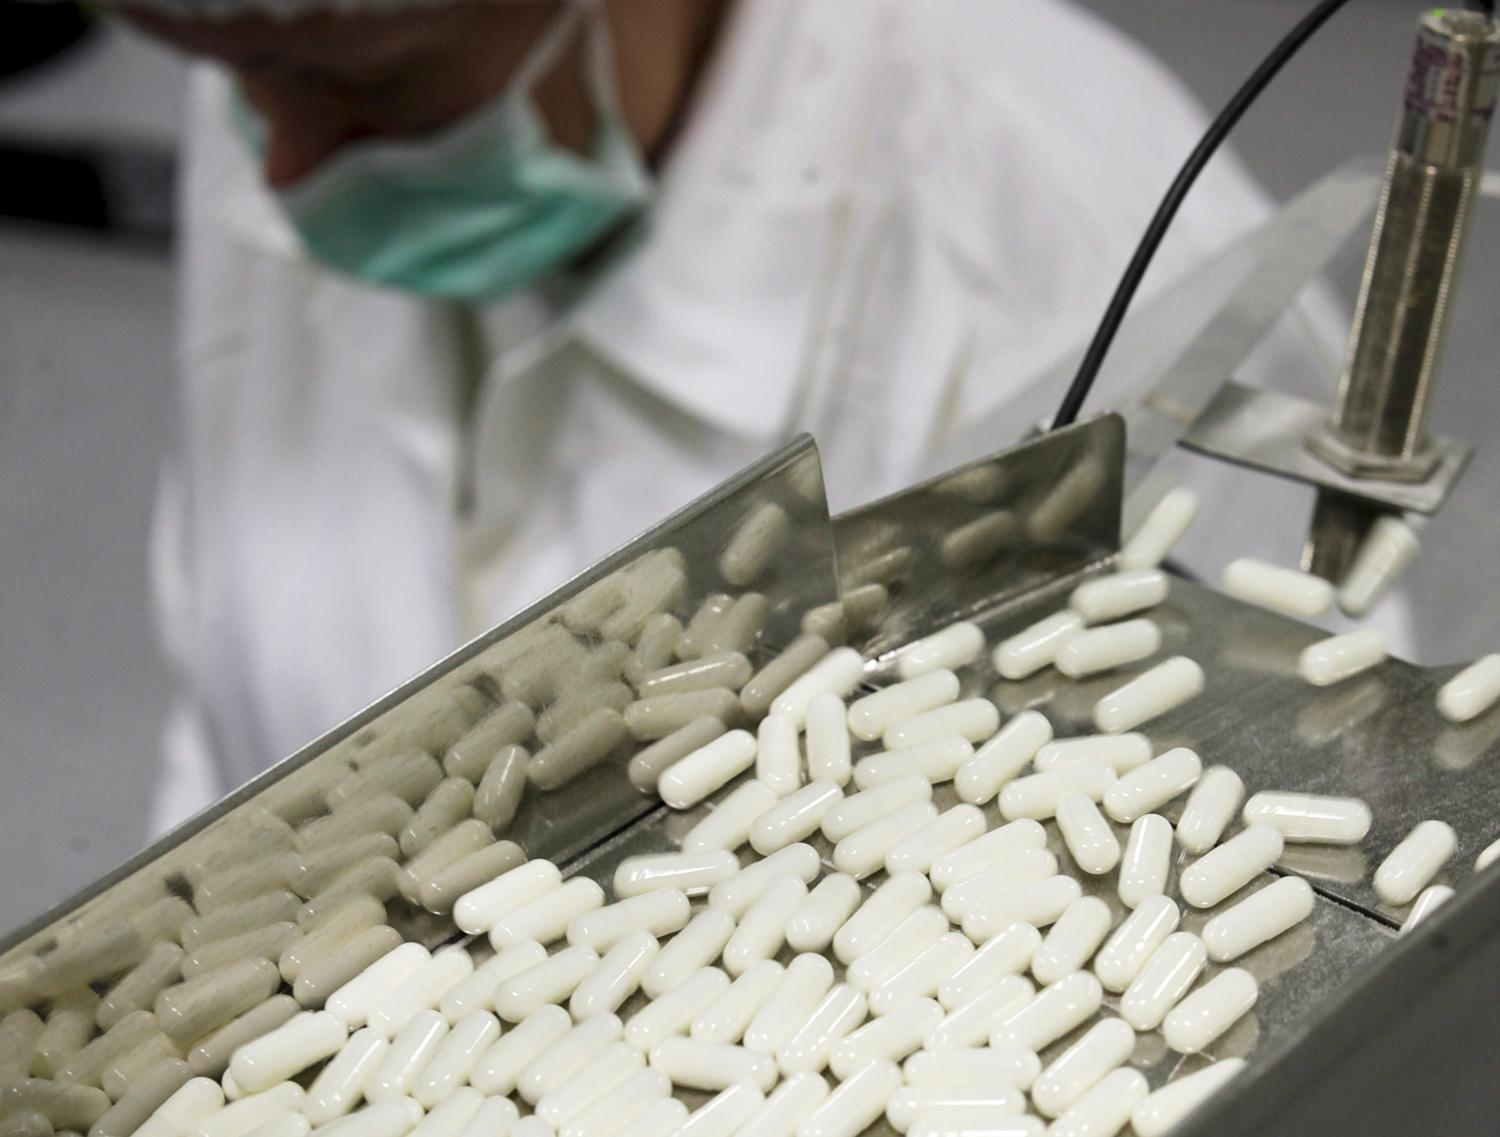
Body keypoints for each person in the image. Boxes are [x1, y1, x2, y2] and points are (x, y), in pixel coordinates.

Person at [118, 0, 1335, 833]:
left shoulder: (1095, 267)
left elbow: (1241, 861)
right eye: (222, 69)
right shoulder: (286, 52)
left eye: (367, 85)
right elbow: (234, 720)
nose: (280, 169)